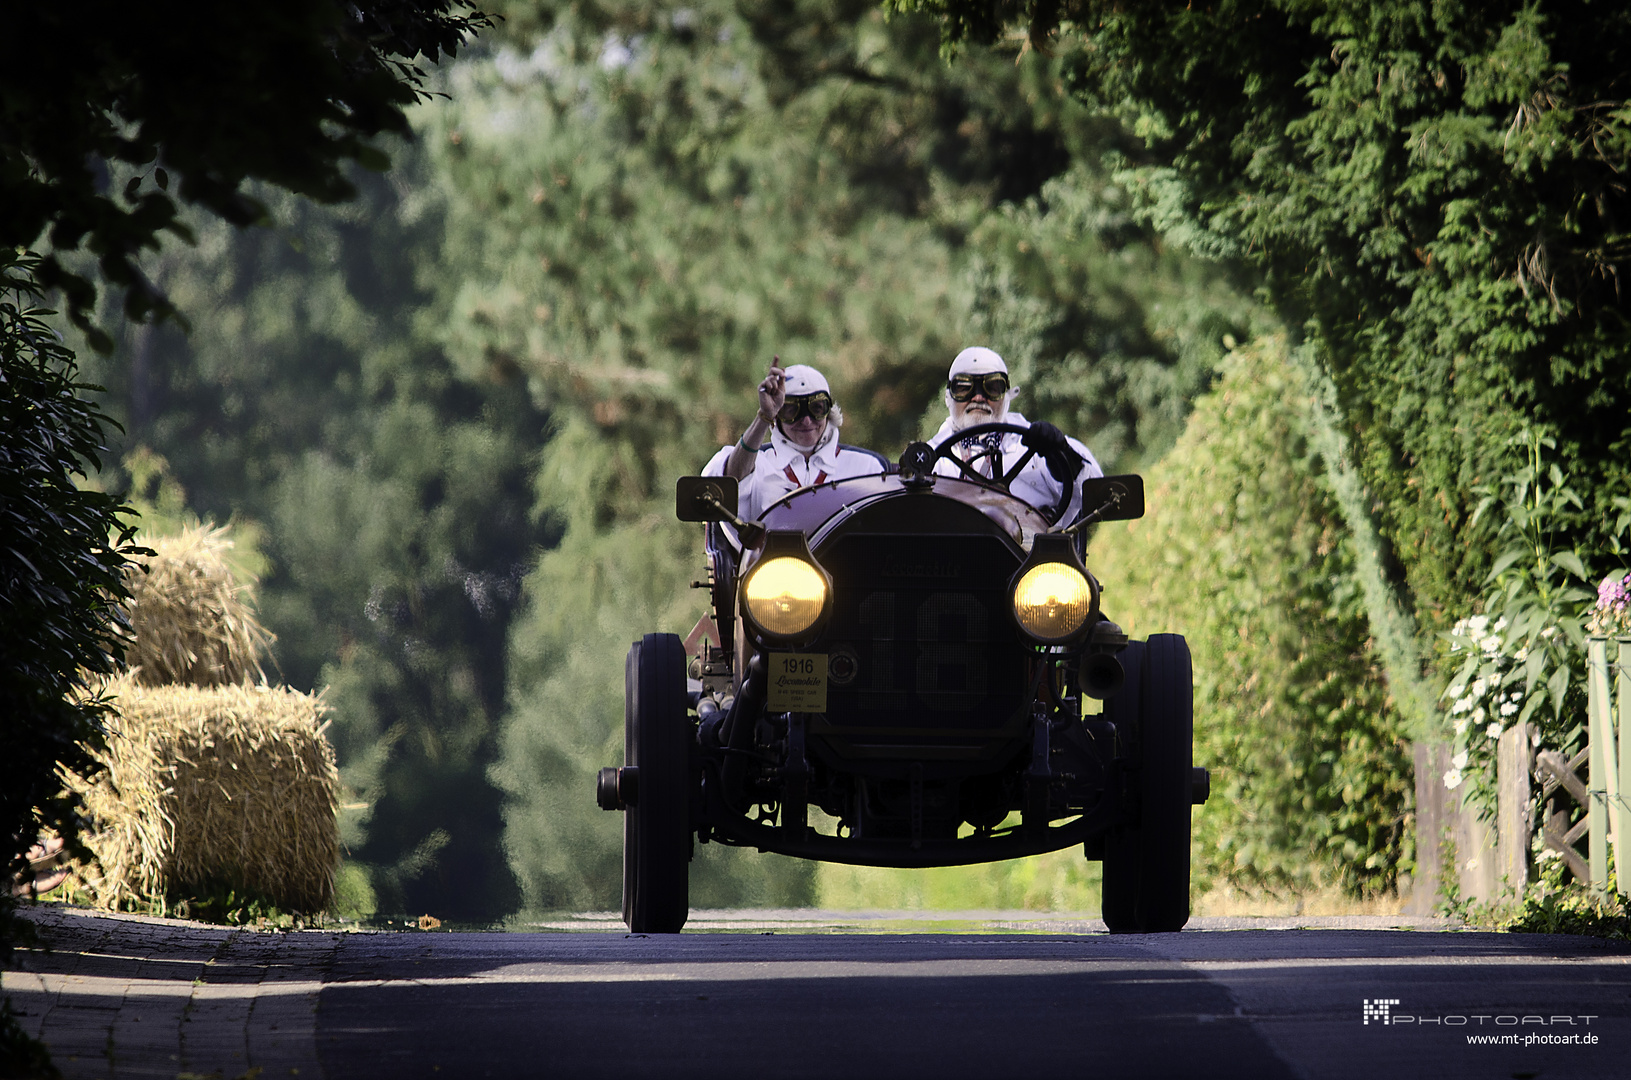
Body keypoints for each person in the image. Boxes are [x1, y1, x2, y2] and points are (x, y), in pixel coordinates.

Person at [927, 346, 1103, 523]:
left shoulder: (1037, 446)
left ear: (1008, 396)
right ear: (948, 398)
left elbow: (1097, 497)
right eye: (964, 388)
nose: (978, 397)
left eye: (992, 387)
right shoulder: (931, 458)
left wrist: (1063, 456)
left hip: (1030, 548)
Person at [703, 359, 887, 524]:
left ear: (828, 411)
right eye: (791, 411)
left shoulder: (867, 469)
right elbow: (723, 486)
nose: (806, 421)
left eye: (816, 408)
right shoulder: (757, 463)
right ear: (777, 417)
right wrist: (764, 417)